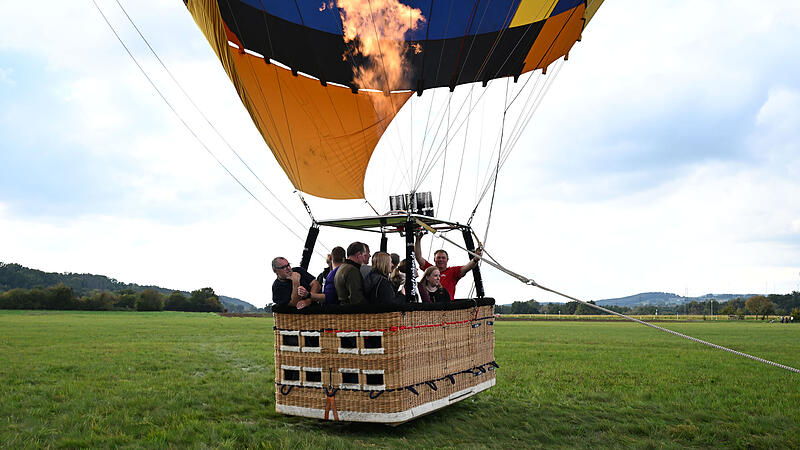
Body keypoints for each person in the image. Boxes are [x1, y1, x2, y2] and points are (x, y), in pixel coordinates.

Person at [415, 234, 481, 300]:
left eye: (443, 258)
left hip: (448, 305)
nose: (441, 260)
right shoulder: (430, 269)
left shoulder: (453, 271)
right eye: (438, 258)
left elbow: (467, 267)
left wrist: (475, 259)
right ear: (434, 259)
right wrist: (418, 240)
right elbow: (418, 258)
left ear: (447, 259)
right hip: (432, 305)